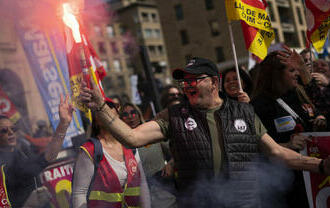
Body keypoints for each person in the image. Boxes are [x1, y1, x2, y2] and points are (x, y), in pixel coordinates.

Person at [80, 57, 330, 208]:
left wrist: (320, 165)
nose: (187, 84)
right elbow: (131, 137)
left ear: (214, 82)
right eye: (183, 80)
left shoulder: (243, 112)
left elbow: (278, 153)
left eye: (194, 79)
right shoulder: (174, 115)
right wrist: (100, 107)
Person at [251, 51, 326, 207]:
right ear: (275, 74)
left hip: (315, 178)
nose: (296, 74)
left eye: (296, 70)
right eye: (291, 71)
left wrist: (320, 119)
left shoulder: (298, 94)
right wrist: (287, 145)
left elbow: (322, 106)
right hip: (287, 185)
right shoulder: (259, 106)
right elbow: (256, 150)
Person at [71, 99, 150, 208]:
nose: (111, 119)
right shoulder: (90, 150)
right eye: (106, 115)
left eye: (113, 116)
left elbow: (142, 183)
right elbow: (79, 193)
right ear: (97, 120)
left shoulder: (129, 144)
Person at [0, 94, 73, 207]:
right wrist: (28, 205)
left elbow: (47, 157)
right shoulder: (3, 164)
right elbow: (44, 159)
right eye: (4, 131)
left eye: (13, 129)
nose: (11, 133)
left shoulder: (21, 151)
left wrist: (63, 124)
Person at [120, 103, 177, 208]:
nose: (130, 117)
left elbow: (177, 152)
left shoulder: (152, 133)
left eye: (133, 112)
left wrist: (171, 164)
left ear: (138, 114)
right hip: (138, 197)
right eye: (125, 114)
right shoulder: (120, 144)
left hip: (163, 191)